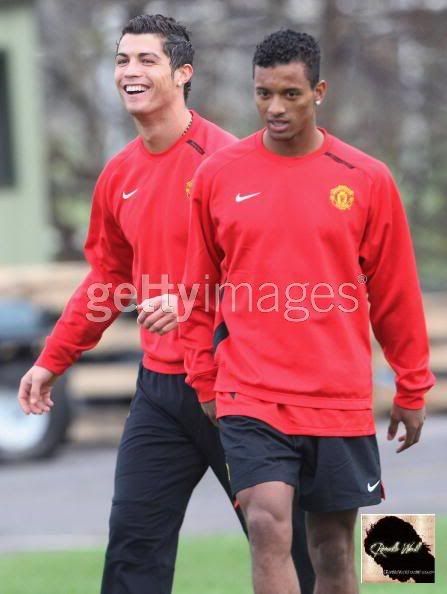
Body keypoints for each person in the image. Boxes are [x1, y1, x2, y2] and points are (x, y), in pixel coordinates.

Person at [17, 16, 315, 594]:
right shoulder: (118, 175)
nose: (130, 71)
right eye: (122, 59)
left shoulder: (229, 163)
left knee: (295, 540)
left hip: (240, 386)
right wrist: (51, 360)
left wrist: (194, 304)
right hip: (161, 392)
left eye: (146, 60)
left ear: (183, 73)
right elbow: (108, 278)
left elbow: (276, 276)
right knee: (133, 543)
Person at [180, 29, 435, 594]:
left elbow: (396, 294)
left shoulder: (366, 179)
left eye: (290, 94)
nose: (275, 107)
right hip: (250, 389)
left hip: (337, 394)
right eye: (263, 93)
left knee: (335, 550)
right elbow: (197, 290)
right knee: (268, 522)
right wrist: (204, 377)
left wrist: (412, 387)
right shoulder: (219, 176)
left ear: (318, 91)